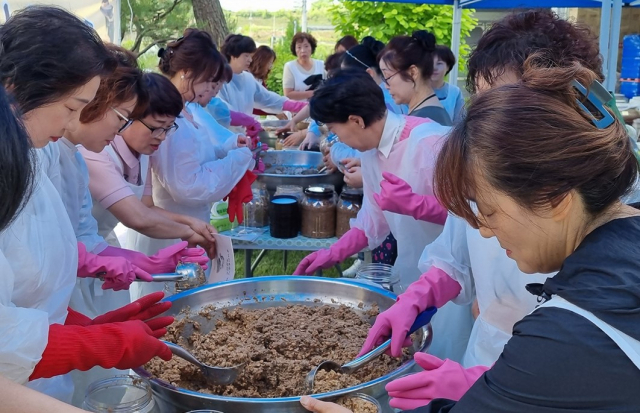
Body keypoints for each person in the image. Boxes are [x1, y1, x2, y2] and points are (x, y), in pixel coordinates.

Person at [300, 54, 640, 413]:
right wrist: (417, 300)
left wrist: (498, 387)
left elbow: (554, 368)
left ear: (553, 196)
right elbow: (454, 251)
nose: (483, 229)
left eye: (487, 211)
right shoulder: (613, 256)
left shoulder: (568, 330)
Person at [0, 6, 172, 403]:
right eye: (72, 108)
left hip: (42, 382)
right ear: (17, 86)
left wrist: (88, 326)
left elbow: (35, 285)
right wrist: (96, 342)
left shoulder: (32, 157)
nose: (69, 125)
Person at [294, 69, 474, 362]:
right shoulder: (371, 153)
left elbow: (474, 218)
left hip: (453, 286)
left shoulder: (431, 143)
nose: (335, 138)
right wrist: (333, 253)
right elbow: (372, 222)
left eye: (334, 129)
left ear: (356, 120)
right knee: (410, 361)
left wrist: (417, 205)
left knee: (443, 360)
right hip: (410, 278)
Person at [129, 29, 255, 300]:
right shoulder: (170, 116)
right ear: (187, 73)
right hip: (170, 229)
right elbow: (187, 186)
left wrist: (232, 146)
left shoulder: (189, 109)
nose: (212, 90)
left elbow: (207, 146)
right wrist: (238, 159)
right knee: (172, 306)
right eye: (209, 82)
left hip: (189, 224)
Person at [82, 72, 215, 256]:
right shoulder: (99, 152)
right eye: (156, 127)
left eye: (168, 128)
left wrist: (190, 222)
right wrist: (188, 232)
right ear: (129, 116)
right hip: (76, 249)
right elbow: (137, 217)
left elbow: (146, 206)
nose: (161, 136)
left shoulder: (144, 152)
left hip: (99, 244)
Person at [218, 34, 306, 120]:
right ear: (233, 56)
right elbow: (222, 111)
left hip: (242, 132)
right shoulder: (218, 80)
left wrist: (299, 106)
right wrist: (247, 121)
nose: (250, 60)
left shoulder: (248, 79)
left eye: (250, 56)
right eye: (246, 56)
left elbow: (267, 99)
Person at [379, 30, 452, 126]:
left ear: (412, 73)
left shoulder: (423, 122)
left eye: (388, 76)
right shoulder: (433, 114)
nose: (386, 86)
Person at [283, 32, 325, 101]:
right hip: (295, 110)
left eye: (306, 46)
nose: (303, 50)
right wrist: (312, 93)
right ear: (295, 49)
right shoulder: (290, 67)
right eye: (299, 47)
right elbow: (288, 94)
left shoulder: (321, 65)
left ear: (311, 47)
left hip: (317, 109)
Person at [431, 45, 464, 123]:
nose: (434, 67)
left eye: (439, 63)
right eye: (430, 63)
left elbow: (460, 123)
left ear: (448, 67)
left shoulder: (455, 92)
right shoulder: (416, 90)